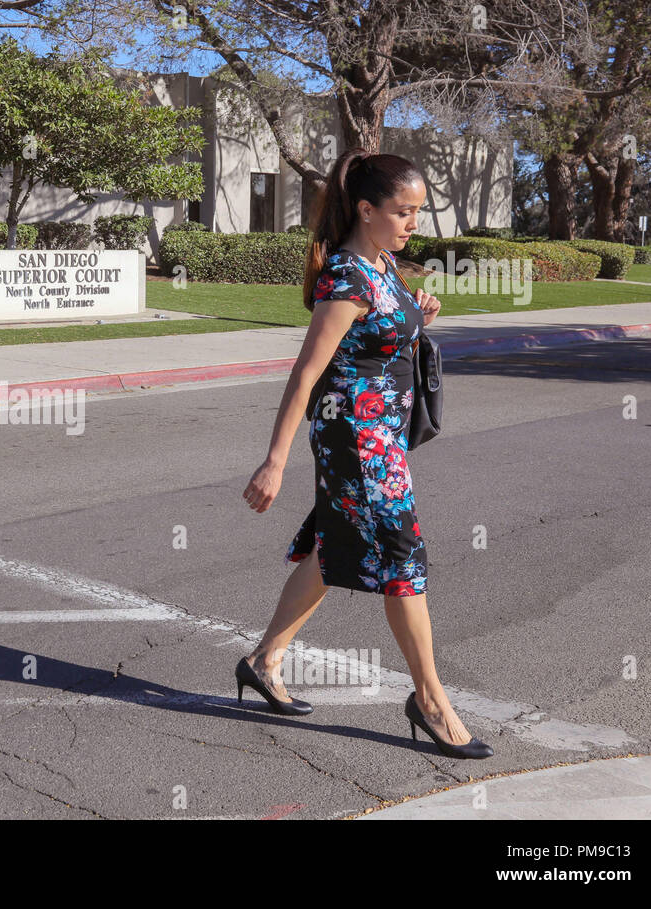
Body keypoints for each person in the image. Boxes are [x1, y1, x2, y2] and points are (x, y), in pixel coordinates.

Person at [238, 149, 493, 759]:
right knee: (402, 557)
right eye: (402, 212)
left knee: (336, 545)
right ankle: (429, 700)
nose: (412, 224)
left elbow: (382, 330)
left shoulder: (381, 265)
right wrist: (274, 460)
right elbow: (306, 372)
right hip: (356, 441)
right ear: (365, 209)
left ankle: (263, 661)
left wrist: (418, 313)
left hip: (382, 439)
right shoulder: (347, 275)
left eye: (416, 213)